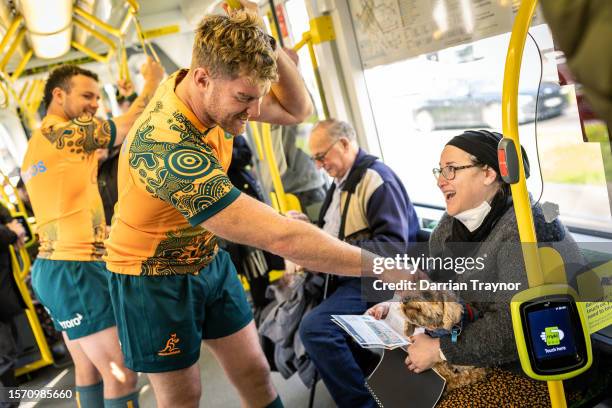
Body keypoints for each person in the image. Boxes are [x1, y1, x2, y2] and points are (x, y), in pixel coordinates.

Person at [103, 4, 411, 407]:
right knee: (183, 397)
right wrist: (384, 266)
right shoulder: (164, 147)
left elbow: (299, 110)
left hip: (208, 260)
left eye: (257, 98)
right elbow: (283, 237)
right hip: (151, 277)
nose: (253, 113)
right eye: (245, 99)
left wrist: (265, 35)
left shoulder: (210, 85)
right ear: (202, 79)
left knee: (255, 374)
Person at [368, 130, 585, 407]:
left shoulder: (528, 229)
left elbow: (513, 330)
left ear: (488, 173)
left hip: (539, 368)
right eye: (439, 170)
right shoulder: (449, 228)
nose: (439, 180)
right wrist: (398, 310)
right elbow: (436, 292)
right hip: (473, 349)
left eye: (451, 170)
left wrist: (439, 350)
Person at [21, 58, 164, 407]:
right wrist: (153, 81)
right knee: (121, 373)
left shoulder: (38, 145)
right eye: (87, 96)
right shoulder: (64, 134)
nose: (95, 105)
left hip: (56, 268)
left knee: (88, 369)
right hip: (76, 268)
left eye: (98, 98)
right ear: (58, 95)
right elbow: (131, 123)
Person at [290, 119, 418, 408]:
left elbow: (392, 249)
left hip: (375, 280)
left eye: (322, 156)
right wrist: (309, 230)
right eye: (315, 159)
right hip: (347, 275)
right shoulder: (341, 183)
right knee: (302, 316)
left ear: (345, 144)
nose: (320, 166)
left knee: (316, 328)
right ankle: (372, 377)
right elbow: (336, 233)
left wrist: (332, 252)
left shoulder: (375, 180)